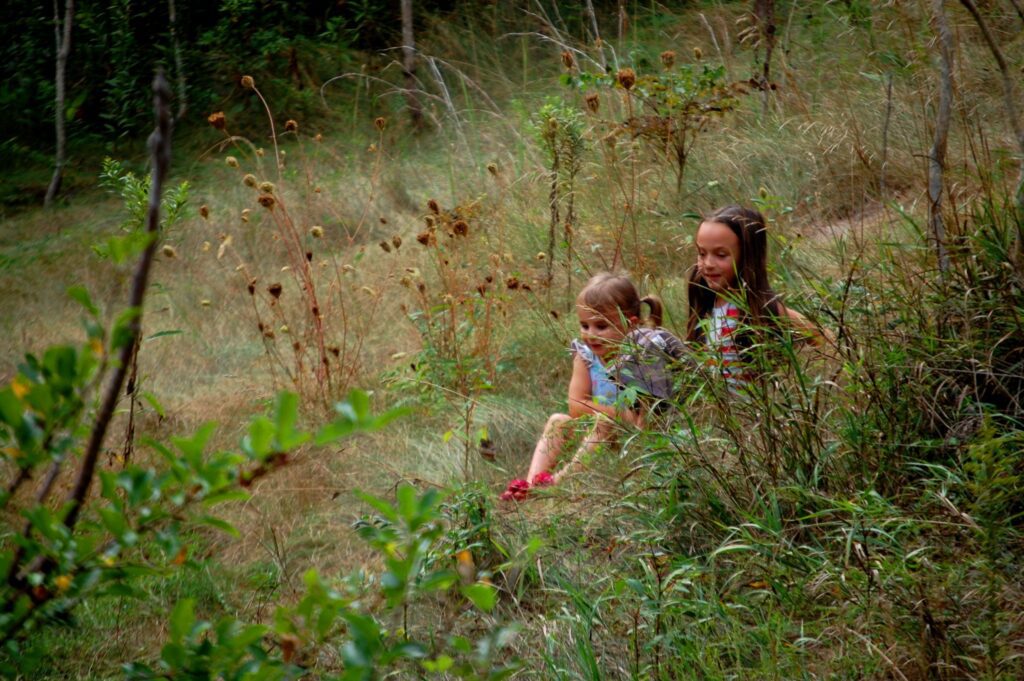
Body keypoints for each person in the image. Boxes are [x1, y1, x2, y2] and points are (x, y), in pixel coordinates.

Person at [499, 272, 681, 501]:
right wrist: (619, 414)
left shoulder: (642, 355)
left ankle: (556, 485)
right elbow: (575, 405)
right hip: (596, 431)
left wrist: (614, 419)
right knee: (558, 420)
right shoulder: (586, 356)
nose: (590, 335)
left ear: (630, 324)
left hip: (631, 439)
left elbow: (645, 420)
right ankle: (530, 485)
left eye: (601, 326)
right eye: (584, 325)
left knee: (603, 423)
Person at [686, 205, 827, 389]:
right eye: (702, 253)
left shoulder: (763, 309)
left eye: (721, 255)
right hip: (720, 414)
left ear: (747, 256)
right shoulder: (704, 306)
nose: (708, 264)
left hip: (757, 415)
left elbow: (824, 340)